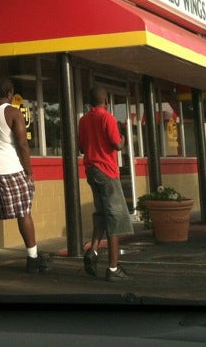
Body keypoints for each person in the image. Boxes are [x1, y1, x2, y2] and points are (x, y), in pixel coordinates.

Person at [0, 77, 48, 275]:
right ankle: (32, 259)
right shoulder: (12, 112)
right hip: (9, 168)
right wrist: (29, 172)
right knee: (23, 211)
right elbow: (23, 145)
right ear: (9, 94)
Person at [78, 86, 134, 281]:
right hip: (107, 171)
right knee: (115, 219)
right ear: (105, 102)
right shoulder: (107, 118)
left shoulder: (83, 120)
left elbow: (81, 147)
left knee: (101, 214)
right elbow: (117, 145)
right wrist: (124, 137)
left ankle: (92, 252)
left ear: (90, 102)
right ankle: (113, 268)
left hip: (91, 170)